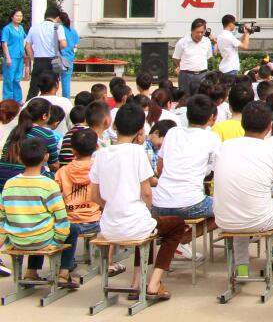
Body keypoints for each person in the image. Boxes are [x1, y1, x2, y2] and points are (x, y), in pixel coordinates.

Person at [90, 103, 189, 300]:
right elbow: (147, 192)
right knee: (175, 226)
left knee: (148, 230)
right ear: (140, 130)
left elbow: (93, 195)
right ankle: (154, 282)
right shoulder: (137, 152)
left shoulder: (100, 154)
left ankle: (137, 282)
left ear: (114, 126)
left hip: (108, 226)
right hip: (135, 222)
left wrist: (112, 206)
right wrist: (148, 209)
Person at [213, 100, 273, 277]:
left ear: (242, 123)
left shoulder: (224, 147)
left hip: (224, 219)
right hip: (259, 218)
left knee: (241, 206)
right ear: (270, 125)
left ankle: (242, 269)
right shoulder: (271, 151)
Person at [0, 137, 71, 286]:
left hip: (16, 241)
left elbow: (2, 217)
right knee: (72, 229)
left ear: (19, 158)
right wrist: (55, 243)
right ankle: (64, 273)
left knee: (39, 221)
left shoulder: (9, 184)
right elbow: (62, 219)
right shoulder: (49, 185)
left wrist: (8, 241)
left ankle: (31, 272)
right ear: (46, 157)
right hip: (43, 241)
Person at [150, 94, 220, 219]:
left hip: (159, 203)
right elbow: (216, 171)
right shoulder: (212, 137)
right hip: (192, 204)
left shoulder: (172, 132)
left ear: (187, 114)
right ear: (211, 117)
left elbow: (160, 168)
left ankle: (182, 232)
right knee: (225, 209)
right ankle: (190, 232)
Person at [54, 127, 101, 285]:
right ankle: (108, 263)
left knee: (70, 229)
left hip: (69, 221)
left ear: (73, 150)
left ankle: (64, 269)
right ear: (96, 147)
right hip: (94, 221)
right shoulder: (99, 169)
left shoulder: (62, 172)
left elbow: (55, 197)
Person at [23, 6, 67, 101]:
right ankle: (50, 106)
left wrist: (33, 58)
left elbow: (27, 46)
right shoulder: (58, 27)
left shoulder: (34, 28)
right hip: (53, 61)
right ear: (57, 17)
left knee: (33, 88)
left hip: (38, 61)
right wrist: (57, 48)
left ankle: (28, 106)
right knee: (51, 88)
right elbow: (63, 44)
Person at [172, 19, 213, 97]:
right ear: (192, 31)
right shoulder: (182, 42)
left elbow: (207, 57)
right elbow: (176, 58)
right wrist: (181, 67)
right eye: (197, 32)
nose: (200, 35)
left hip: (202, 75)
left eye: (202, 32)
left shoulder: (207, 42)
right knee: (184, 98)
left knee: (200, 99)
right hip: (186, 76)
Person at [1, 9, 25, 103]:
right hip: (11, 56)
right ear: (12, 17)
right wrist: (7, 57)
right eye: (17, 16)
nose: (19, 18)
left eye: (21, 16)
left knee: (17, 79)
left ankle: (17, 100)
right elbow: (4, 43)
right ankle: (8, 100)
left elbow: (24, 40)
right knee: (9, 79)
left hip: (20, 56)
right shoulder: (7, 28)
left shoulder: (21, 28)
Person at [55, 12, 78, 99]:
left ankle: (53, 98)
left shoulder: (57, 29)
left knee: (54, 80)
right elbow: (75, 45)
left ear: (59, 19)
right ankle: (66, 100)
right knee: (66, 82)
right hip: (69, 58)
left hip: (58, 57)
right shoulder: (73, 30)